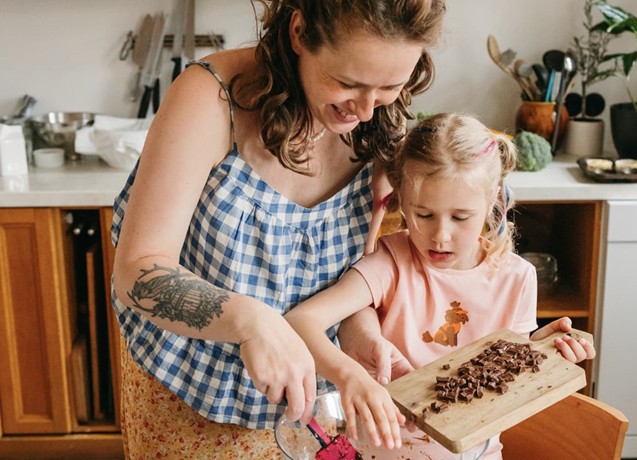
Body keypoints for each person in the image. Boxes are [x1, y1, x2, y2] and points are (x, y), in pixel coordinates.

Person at [110, 0, 447, 457]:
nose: (367, 109)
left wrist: (360, 334)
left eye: (389, 85)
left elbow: (352, 272)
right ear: (298, 32)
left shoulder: (380, 121)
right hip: (190, 396)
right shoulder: (211, 98)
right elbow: (136, 272)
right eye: (348, 83)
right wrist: (251, 323)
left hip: (318, 406)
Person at [285, 113, 597, 459]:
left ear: (493, 198)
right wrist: (349, 376)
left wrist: (545, 350)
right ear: (402, 197)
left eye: (460, 217)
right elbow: (300, 321)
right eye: (424, 215)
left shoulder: (517, 278)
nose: (440, 236)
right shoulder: (391, 264)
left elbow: (507, 377)